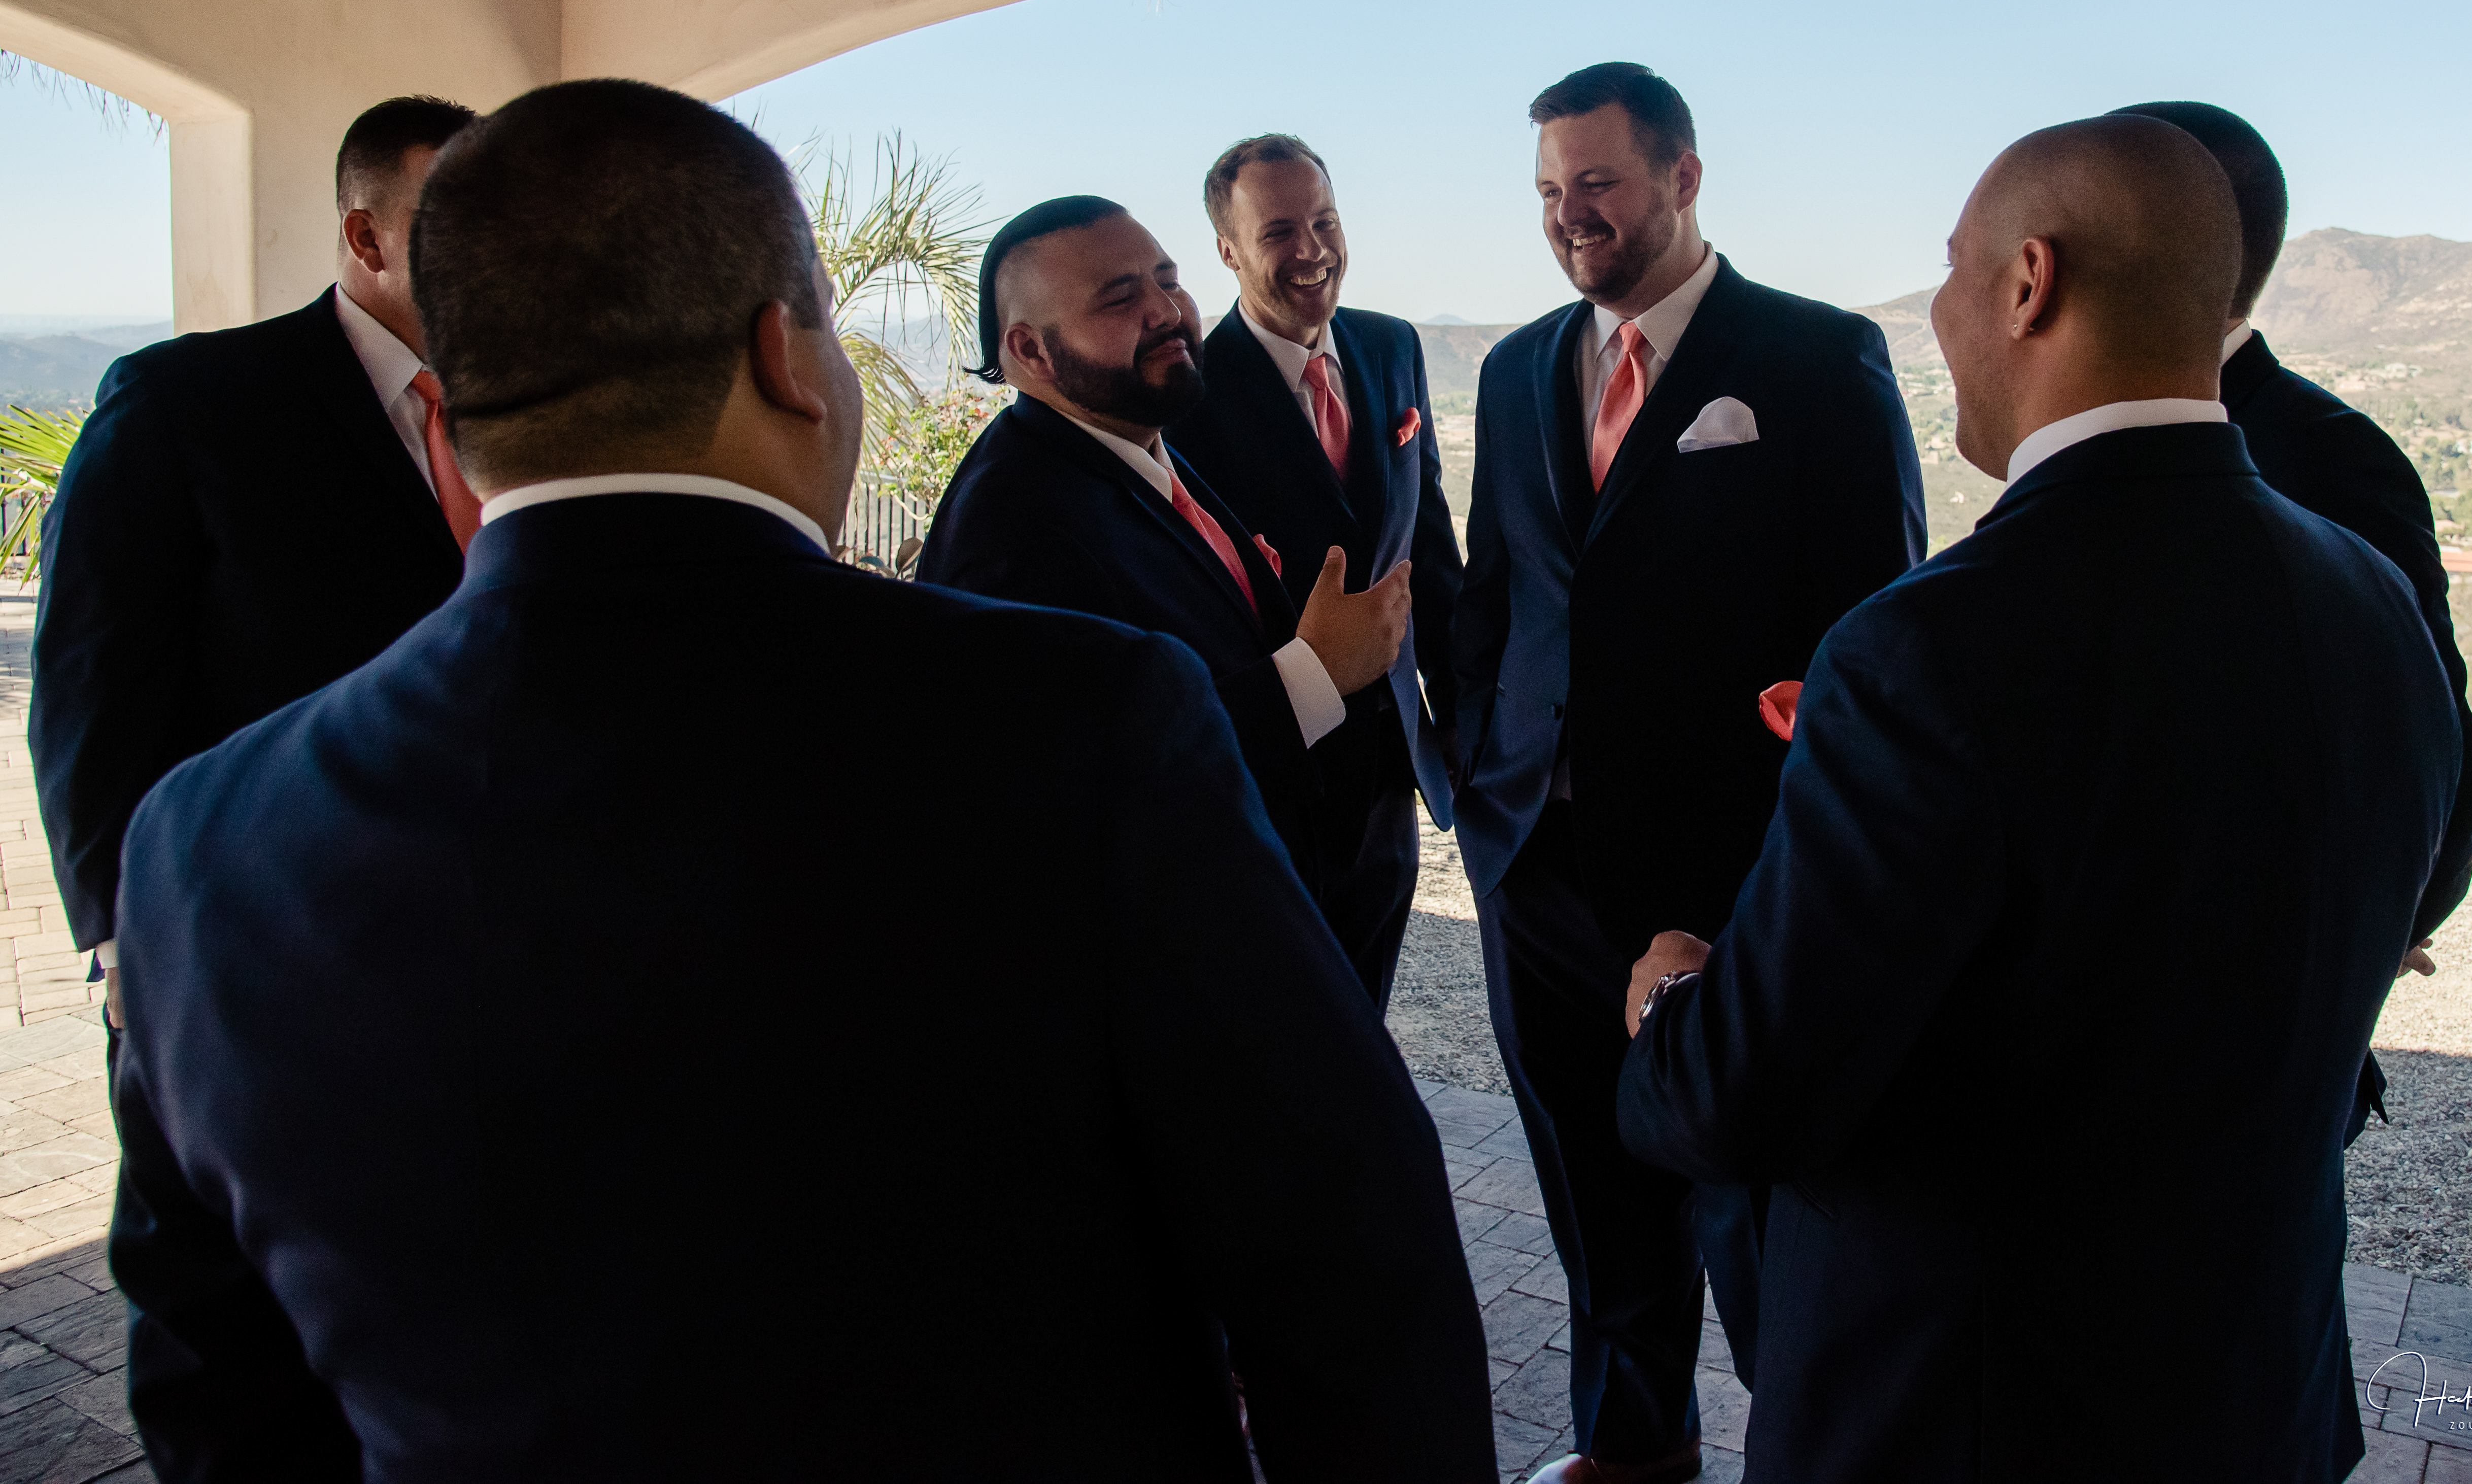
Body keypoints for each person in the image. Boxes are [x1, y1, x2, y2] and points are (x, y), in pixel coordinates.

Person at [110, 80, 1496, 1481]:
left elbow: (214, 1386)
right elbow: (1347, 1250)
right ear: (784, 355)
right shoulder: (1076, 722)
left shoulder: (199, 844)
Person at [1615, 115, 2462, 1484]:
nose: (1936, 311)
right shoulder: (2367, 594)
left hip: (1979, 1420)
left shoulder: (1925, 647)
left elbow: (1739, 1098)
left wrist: (1670, 994)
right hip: (2262, 1397)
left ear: (2030, 282)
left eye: (1954, 268)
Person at [1454, 63, 1926, 1484]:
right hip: (1537, 860)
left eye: (1598, 182)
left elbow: (1870, 630)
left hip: (1731, 873)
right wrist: (1478, 786)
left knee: (1758, 1207)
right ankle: (1635, 1444)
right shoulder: (1516, 367)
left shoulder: (1818, 356)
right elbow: (1498, 593)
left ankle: (1807, 1455)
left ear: (1684, 176)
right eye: (1550, 190)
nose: (1570, 214)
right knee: (1590, 1188)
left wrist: (1798, 862)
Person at [31, 93, 479, 1467]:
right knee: (234, 1330)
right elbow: (95, 677)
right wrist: (127, 939)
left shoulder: (527, 410)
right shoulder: (191, 403)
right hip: (245, 938)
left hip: (454, 953)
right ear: (365, 235)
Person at [2113, 99, 2472, 1140]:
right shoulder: (2102, 434)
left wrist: (2346, 944)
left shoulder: (2323, 452)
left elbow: (2436, 744)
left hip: (2242, 1058)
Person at [920, 196, 1412, 886]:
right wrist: (1317, 672)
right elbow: (1085, 790)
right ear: (1030, 351)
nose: (1167, 311)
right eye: (1121, 297)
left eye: (1168, 280)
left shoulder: (1134, 440)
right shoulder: (1009, 531)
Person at [1165, 135, 1464, 1008]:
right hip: (1275, 782)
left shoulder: (1391, 346)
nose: (1313, 249)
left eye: (1325, 222)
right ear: (1228, 251)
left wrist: (1460, 719)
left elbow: (1429, 552)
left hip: (1391, 778)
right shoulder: (1187, 392)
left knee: (1368, 1014)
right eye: (1279, 232)